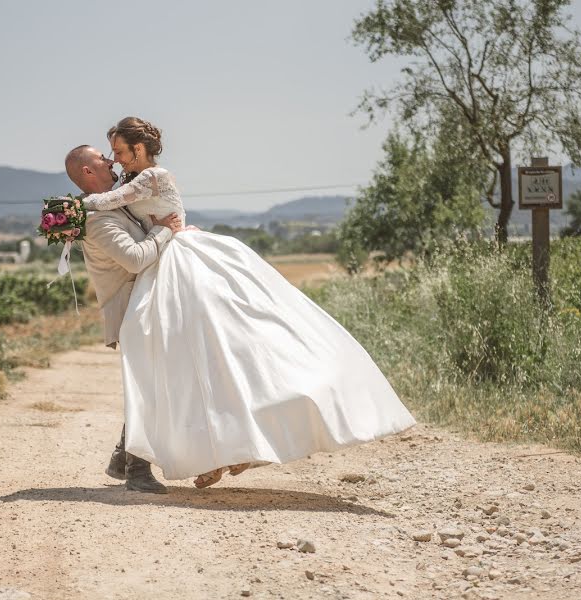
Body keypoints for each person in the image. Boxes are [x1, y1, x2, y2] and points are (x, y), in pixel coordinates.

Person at [79, 116, 416, 489]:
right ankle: (183, 455)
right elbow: (133, 227)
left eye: (120, 151)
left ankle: (224, 447)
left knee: (214, 353)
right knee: (183, 365)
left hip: (181, 263)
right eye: (110, 154)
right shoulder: (125, 187)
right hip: (165, 267)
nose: (115, 159)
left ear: (139, 149)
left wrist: (72, 209)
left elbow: (114, 202)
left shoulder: (149, 178)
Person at [64, 144, 182, 494]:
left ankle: (122, 458)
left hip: (146, 305)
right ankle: (137, 471)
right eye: (104, 158)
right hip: (132, 309)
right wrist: (165, 229)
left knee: (153, 383)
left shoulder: (114, 203)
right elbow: (133, 259)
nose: (112, 161)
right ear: (88, 171)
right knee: (147, 387)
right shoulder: (97, 218)